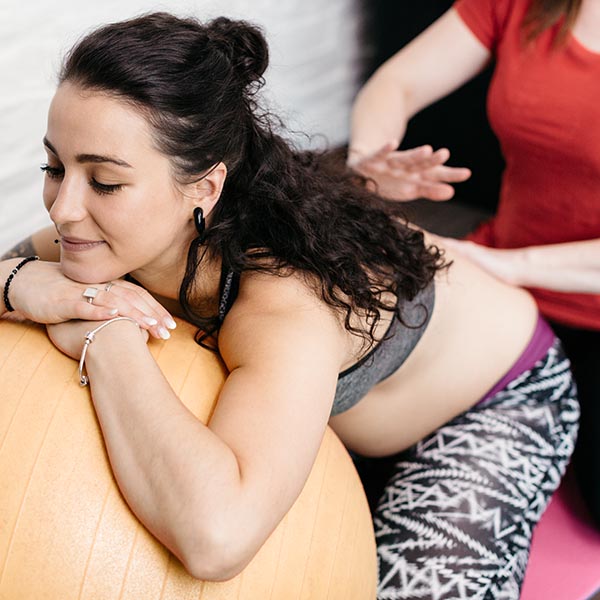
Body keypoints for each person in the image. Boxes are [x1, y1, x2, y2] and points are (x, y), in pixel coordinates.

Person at [0, 12, 578, 599]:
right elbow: (13, 270)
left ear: (203, 187)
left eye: (104, 182)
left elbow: (216, 538)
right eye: (54, 167)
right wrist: (18, 283)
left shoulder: (282, 301)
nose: (64, 208)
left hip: (496, 401)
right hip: (328, 420)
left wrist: (107, 337)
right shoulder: (105, 238)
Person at [348, 0, 600, 527]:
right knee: (362, 459)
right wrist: (372, 162)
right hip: (500, 283)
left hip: (529, 279)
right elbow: (397, 83)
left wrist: (514, 266)